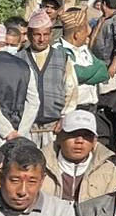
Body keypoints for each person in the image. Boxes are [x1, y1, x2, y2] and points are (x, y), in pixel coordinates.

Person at [23, 9, 78, 149]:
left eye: (45, 34)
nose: (42, 39)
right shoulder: (18, 59)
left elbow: (71, 89)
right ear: (29, 35)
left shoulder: (62, 57)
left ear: (51, 34)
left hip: (54, 127)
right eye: (37, 34)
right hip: (27, 127)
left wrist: (65, 117)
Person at [43, 109, 116, 203]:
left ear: (94, 141)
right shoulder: (42, 167)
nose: (79, 141)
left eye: (86, 136)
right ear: (59, 137)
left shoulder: (109, 171)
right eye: (73, 134)